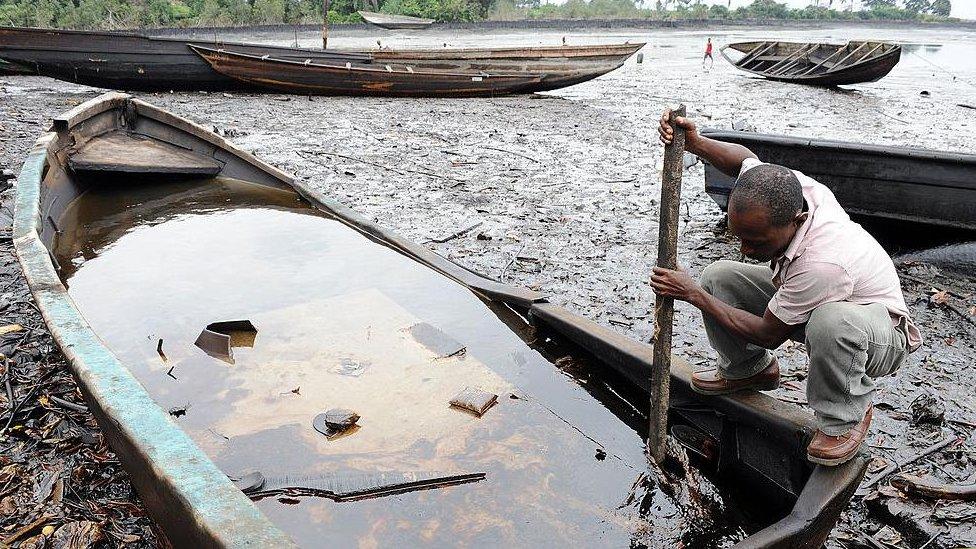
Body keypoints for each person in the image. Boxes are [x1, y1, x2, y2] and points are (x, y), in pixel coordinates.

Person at [652, 109, 922, 466]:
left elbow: (767, 333)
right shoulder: (789, 189)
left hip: (878, 332)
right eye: (740, 237)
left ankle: (845, 418)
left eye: (756, 241)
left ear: (796, 222)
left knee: (832, 323)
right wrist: (695, 142)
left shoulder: (823, 263)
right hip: (821, 302)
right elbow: (745, 162)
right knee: (719, 276)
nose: (746, 250)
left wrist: (691, 294)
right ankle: (748, 370)